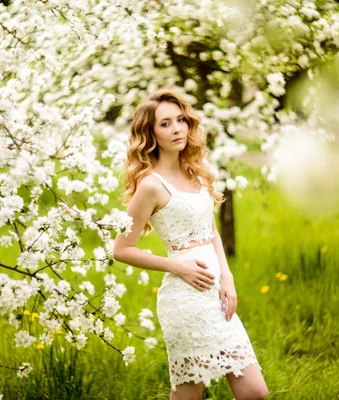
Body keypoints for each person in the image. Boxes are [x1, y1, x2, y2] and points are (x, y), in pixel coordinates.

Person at [113, 89, 269, 400]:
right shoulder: (150, 185)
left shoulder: (196, 172)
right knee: (189, 394)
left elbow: (210, 230)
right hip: (184, 299)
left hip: (215, 293)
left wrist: (227, 278)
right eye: (166, 124)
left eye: (181, 120)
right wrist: (177, 266)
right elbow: (121, 249)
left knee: (254, 392)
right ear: (150, 133)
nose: (177, 129)